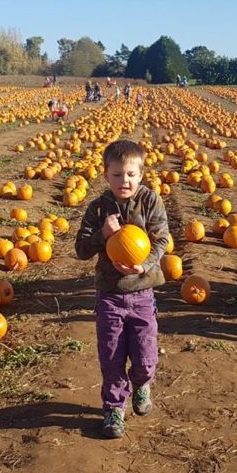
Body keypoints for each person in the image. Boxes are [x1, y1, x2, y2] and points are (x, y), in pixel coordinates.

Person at [74, 140, 170, 439]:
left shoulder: (150, 201)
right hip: (110, 295)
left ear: (140, 175)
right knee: (111, 356)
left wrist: (146, 264)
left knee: (144, 358)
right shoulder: (99, 207)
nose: (124, 181)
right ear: (106, 175)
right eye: (117, 175)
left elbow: (162, 239)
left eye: (130, 174)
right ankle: (114, 409)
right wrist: (103, 235)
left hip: (142, 293)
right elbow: (80, 249)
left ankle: (141, 384)